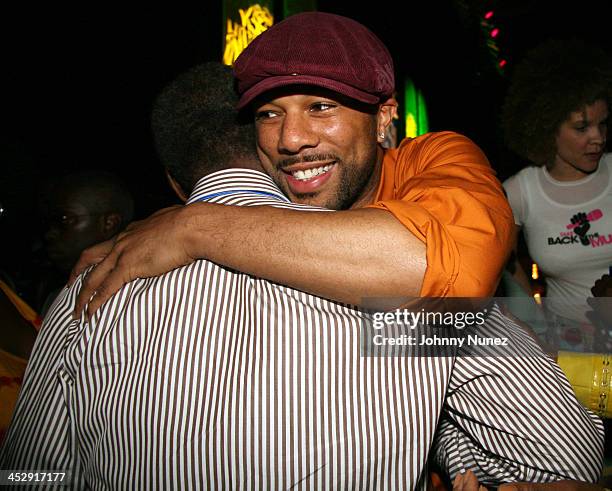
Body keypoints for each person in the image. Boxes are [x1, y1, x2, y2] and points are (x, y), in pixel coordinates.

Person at [0, 61, 604, 490]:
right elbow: (564, 451)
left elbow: (29, 473)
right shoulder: (398, 305)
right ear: (277, 150)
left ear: (173, 183)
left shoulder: (95, 286)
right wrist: (440, 449)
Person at [70, 12, 515, 318]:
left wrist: (195, 229)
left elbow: (455, 279)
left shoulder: (434, 157)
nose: (291, 139)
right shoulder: (262, 196)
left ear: (383, 116)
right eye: (269, 113)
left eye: (321, 106)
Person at [500, 38, 612, 352]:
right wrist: (533, 323)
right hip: (569, 349)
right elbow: (503, 263)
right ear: (547, 127)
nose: (598, 138)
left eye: (603, 124)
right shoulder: (521, 191)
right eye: (582, 127)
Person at [36, 169, 135, 316]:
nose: (50, 233)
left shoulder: (132, 297)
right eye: (50, 221)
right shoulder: (55, 296)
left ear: (109, 223)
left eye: (65, 219)